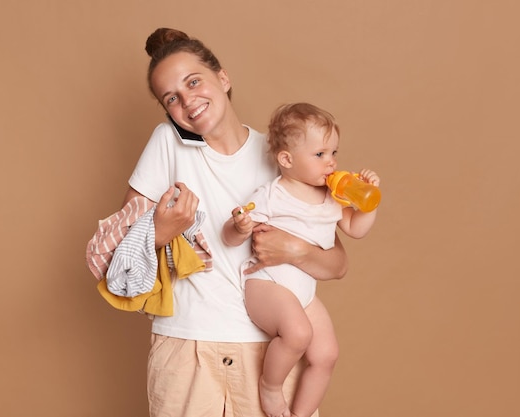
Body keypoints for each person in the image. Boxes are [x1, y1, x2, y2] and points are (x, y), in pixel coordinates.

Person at [88, 29, 348, 417]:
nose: (187, 100)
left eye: (194, 82)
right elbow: (119, 253)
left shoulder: (282, 155)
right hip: (187, 348)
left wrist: (295, 249)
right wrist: (163, 230)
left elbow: (337, 264)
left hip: (267, 347)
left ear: (223, 79)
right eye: (171, 98)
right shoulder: (166, 144)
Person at [222, 102, 380, 417]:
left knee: (327, 353)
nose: (331, 163)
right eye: (320, 155)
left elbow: (355, 229)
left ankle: (300, 414)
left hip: (302, 290)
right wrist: (239, 226)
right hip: (267, 284)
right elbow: (229, 236)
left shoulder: (334, 199)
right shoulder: (272, 195)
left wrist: (369, 203)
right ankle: (270, 386)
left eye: (334, 153)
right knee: (298, 334)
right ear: (287, 159)